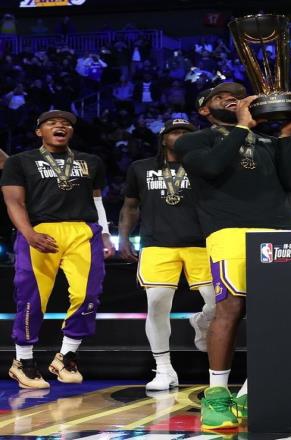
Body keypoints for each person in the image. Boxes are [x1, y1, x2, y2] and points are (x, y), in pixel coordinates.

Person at [174, 82, 291, 429]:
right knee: (231, 308)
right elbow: (211, 168)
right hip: (230, 230)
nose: (232, 98)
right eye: (221, 96)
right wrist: (241, 126)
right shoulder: (194, 141)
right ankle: (217, 395)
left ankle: (252, 392)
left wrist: (285, 135)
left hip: (281, 230)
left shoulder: (268, 142)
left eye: (238, 95)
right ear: (204, 110)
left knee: (280, 316)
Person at [0, 110, 115, 389]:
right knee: (32, 298)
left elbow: (96, 199)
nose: (60, 126)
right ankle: (23, 361)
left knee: (88, 295)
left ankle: (66, 356)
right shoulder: (20, 161)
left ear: (71, 132)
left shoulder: (91, 161)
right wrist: (29, 233)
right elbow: (14, 201)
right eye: (51, 123)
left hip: (83, 231)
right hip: (40, 231)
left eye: (65, 124)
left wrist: (105, 234)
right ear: (39, 131)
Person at [118, 118, 216, 391]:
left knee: (217, 305)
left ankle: (201, 321)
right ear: (163, 139)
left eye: (187, 132)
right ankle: (164, 369)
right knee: (157, 304)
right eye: (175, 132)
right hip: (157, 244)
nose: (181, 136)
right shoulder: (140, 168)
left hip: (202, 242)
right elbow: (130, 206)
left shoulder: (206, 166)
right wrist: (123, 237)